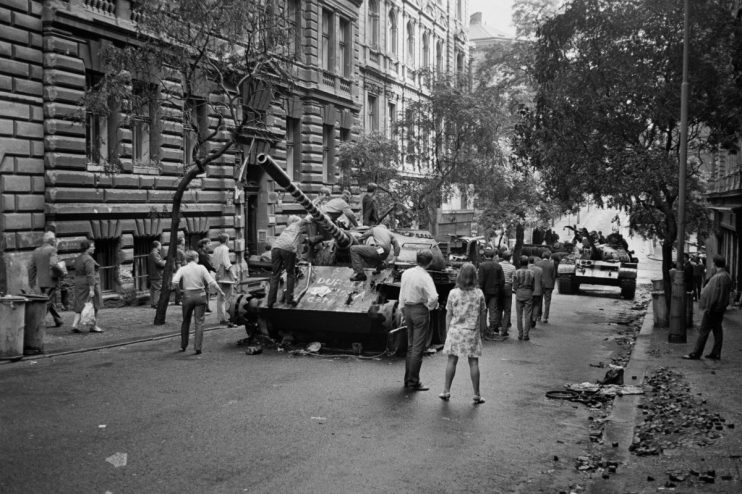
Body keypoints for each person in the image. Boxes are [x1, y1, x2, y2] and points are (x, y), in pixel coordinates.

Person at [439, 263, 487, 404]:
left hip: (455, 331)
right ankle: (477, 395)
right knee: (473, 363)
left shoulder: (453, 293)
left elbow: (449, 314)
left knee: (452, 361)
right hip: (471, 332)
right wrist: (482, 330)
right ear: (474, 277)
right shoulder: (479, 294)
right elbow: (483, 314)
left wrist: (448, 331)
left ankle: (446, 391)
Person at [398, 249, 439, 391]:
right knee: (418, 348)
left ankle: (408, 379)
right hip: (419, 310)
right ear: (430, 262)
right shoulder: (425, 276)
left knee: (411, 346)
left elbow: (401, 293)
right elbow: (433, 297)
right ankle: (413, 381)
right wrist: (430, 307)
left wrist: (402, 308)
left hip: (407, 309)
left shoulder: (406, 273)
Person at [171, 250, 225, 355]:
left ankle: (183, 345)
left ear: (186, 259)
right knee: (199, 322)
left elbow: (174, 281)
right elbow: (211, 281)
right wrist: (220, 291)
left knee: (185, 321)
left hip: (187, 295)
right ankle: (198, 347)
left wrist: (180, 292)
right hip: (200, 295)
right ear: (196, 258)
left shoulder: (183, 269)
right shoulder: (201, 268)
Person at [683, 255, 732, 361]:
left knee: (703, 331)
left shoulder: (719, 277)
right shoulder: (726, 275)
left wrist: (710, 307)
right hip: (719, 308)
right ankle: (716, 352)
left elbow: (715, 294)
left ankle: (696, 353)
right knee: (717, 330)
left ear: (715, 264)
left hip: (714, 309)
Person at [267, 215, 307, 308]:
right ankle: (289, 299)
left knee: (275, 274)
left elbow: (299, 240)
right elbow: (308, 218)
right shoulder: (297, 224)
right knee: (290, 273)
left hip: (275, 248)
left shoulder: (287, 229)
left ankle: (270, 301)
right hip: (288, 249)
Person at [28, 231, 65, 328]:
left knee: (48, 299)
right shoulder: (52, 250)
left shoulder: (36, 251)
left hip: (41, 282)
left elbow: (31, 268)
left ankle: (58, 320)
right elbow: (53, 264)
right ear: (52, 240)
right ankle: (38, 321)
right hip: (51, 281)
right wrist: (61, 273)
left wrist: (31, 282)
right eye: (54, 239)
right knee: (47, 302)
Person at [70, 239, 103, 333]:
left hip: (79, 282)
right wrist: (92, 289)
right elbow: (90, 274)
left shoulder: (79, 258)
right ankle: (94, 326)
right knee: (95, 304)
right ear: (87, 248)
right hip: (88, 283)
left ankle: (75, 325)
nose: (94, 248)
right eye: (92, 246)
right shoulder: (88, 259)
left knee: (80, 303)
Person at [477, 248, 504, 340]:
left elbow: (481, 280)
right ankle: (492, 330)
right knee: (493, 311)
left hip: (484, 292)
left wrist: (479, 290)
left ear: (484, 256)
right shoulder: (498, 266)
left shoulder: (482, 266)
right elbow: (502, 281)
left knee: (483, 311)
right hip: (494, 292)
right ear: (493, 256)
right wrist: (499, 290)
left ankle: (483, 331)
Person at [211, 233, 236, 326]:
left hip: (218, 274)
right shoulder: (225, 249)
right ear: (226, 240)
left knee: (220, 298)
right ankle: (227, 318)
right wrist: (234, 275)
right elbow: (227, 263)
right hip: (225, 275)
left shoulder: (216, 249)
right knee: (228, 297)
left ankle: (221, 318)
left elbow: (214, 263)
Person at [512, 256, 535, 341]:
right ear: (527, 263)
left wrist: (517, 289)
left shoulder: (516, 272)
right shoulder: (532, 273)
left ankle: (520, 334)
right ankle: (526, 334)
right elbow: (533, 286)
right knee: (528, 315)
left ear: (520, 263)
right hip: (528, 293)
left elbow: (514, 286)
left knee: (519, 315)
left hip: (519, 293)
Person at [498, 251, 516, 337]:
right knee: (507, 309)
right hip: (508, 287)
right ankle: (504, 329)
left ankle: (497, 327)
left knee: (499, 308)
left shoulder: (499, 265)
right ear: (510, 258)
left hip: (499, 288)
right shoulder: (512, 267)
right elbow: (513, 280)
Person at [536, 250, 557, 324]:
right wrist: (553, 285)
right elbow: (554, 276)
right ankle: (545, 317)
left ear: (542, 256)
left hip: (540, 285)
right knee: (547, 302)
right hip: (549, 285)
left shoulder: (538, 263)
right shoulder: (552, 264)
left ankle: (538, 315)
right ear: (549, 256)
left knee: (539, 301)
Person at [196, 238, 215, 313]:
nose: (211, 245)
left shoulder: (203, 252)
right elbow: (207, 264)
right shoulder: (201, 253)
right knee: (204, 290)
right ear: (204, 245)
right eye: (209, 243)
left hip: (204, 273)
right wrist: (215, 269)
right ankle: (204, 307)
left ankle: (206, 306)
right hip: (203, 274)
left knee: (206, 290)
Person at [148, 240, 166, 308]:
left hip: (153, 274)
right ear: (157, 246)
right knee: (157, 289)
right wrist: (165, 262)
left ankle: (153, 303)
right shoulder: (154, 253)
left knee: (153, 289)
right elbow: (159, 263)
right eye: (160, 245)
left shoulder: (152, 253)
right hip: (157, 274)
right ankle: (156, 303)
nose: (161, 247)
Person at [528, 256, 543, 329]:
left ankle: (529, 319)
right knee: (536, 305)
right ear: (534, 262)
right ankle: (534, 319)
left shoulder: (526, 269)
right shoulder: (540, 270)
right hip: (537, 291)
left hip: (529, 291)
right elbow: (542, 281)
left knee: (528, 306)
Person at [173, 236, 186, 306]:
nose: (185, 241)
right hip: (180, 270)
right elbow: (178, 263)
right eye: (183, 240)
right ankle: (178, 300)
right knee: (179, 287)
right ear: (180, 242)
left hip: (182, 269)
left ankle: (179, 300)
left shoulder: (180, 249)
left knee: (180, 286)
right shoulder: (178, 250)